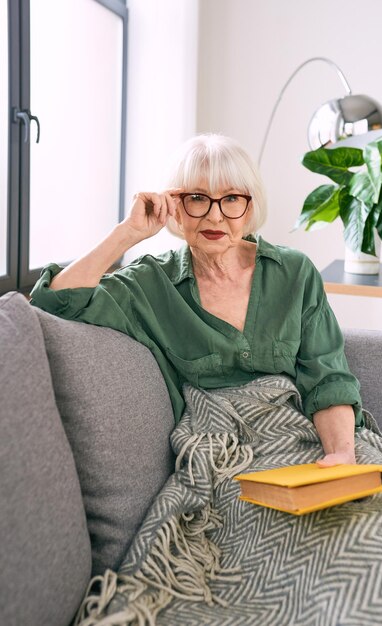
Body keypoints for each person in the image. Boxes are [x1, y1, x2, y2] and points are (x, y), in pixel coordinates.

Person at [30, 133, 362, 468]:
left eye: (231, 198)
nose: (215, 217)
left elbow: (328, 380)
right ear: (175, 206)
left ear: (250, 207)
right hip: (223, 458)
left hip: (307, 442)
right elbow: (52, 303)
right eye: (197, 198)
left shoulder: (294, 272)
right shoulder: (150, 283)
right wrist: (128, 233)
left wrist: (341, 455)